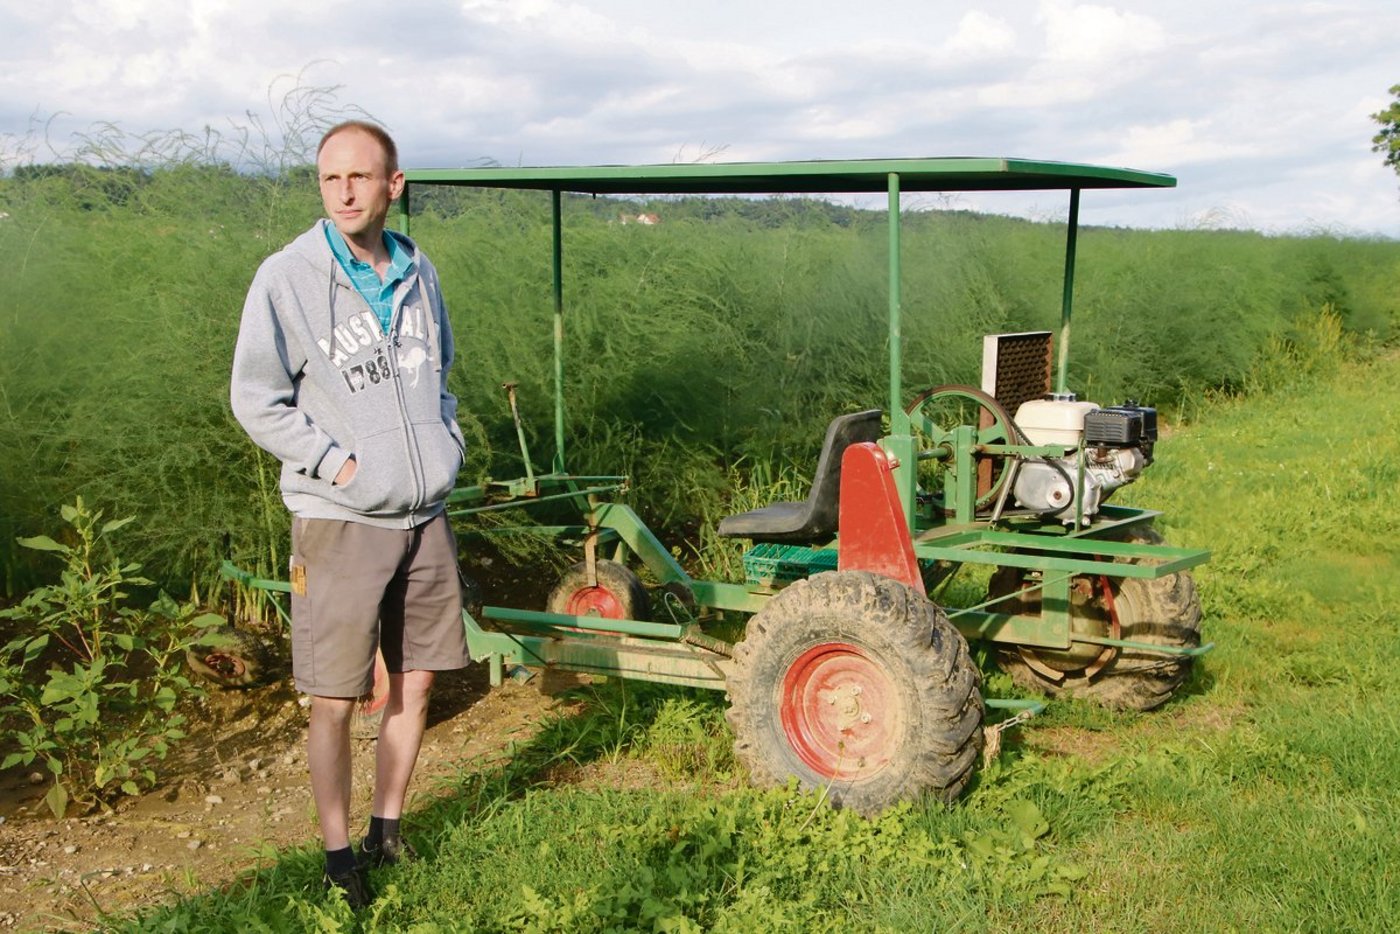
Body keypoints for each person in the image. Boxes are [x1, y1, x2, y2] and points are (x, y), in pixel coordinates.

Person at [230, 120, 470, 908]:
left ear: (392, 186)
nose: (343, 193)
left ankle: (386, 828)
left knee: (418, 680)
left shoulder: (417, 268)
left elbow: (441, 371)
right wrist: (338, 464)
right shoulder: (288, 278)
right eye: (331, 179)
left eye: (360, 178)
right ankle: (338, 854)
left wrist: (447, 442)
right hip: (341, 518)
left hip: (423, 511)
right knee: (332, 697)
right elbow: (254, 398)